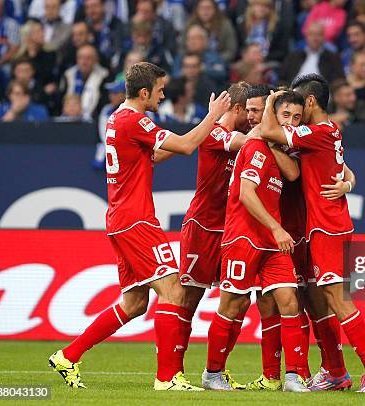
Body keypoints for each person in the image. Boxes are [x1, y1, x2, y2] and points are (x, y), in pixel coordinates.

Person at [48, 61, 231, 391]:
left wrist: (180, 140)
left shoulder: (116, 118)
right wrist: (212, 117)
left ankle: (69, 355)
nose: (163, 96)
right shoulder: (135, 120)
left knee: (134, 303)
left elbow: (151, 157)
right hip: (136, 220)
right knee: (173, 290)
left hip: (119, 220)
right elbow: (188, 146)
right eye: (159, 90)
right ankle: (167, 379)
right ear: (144, 92)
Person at [260, 73, 365, 392]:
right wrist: (348, 183)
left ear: (311, 102)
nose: (294, 112)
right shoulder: (330, 131)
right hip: (328, 223)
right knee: (325, 298)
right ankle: (335, 372)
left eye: (298, 104)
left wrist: (269, 102)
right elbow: (346, 170)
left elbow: (267, 130)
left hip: (326, 226)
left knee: (335, 297)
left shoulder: (315, 132)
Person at [202, 90, 310, 392]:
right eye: (285, 115)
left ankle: (293, 377)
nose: (290, 122)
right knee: (232, 305)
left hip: (270, 244)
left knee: (289, 302)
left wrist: (271, 138)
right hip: (244, 238)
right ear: (273, 115)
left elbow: (292, 173)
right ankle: (212, 373)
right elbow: (246, 195)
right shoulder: (254, 149)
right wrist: (277, 228)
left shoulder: (271, 148)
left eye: (296, 118)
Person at [178, 82, 251, 390]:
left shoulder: (235, 136)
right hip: (202, 227)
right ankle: (172, 370)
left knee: (240, 300)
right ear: (235, 109)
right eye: (248, 111)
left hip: (230, 229)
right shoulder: (215, 133)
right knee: (189, 300)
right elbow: (244, 142)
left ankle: (217, 370)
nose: (252, 117)